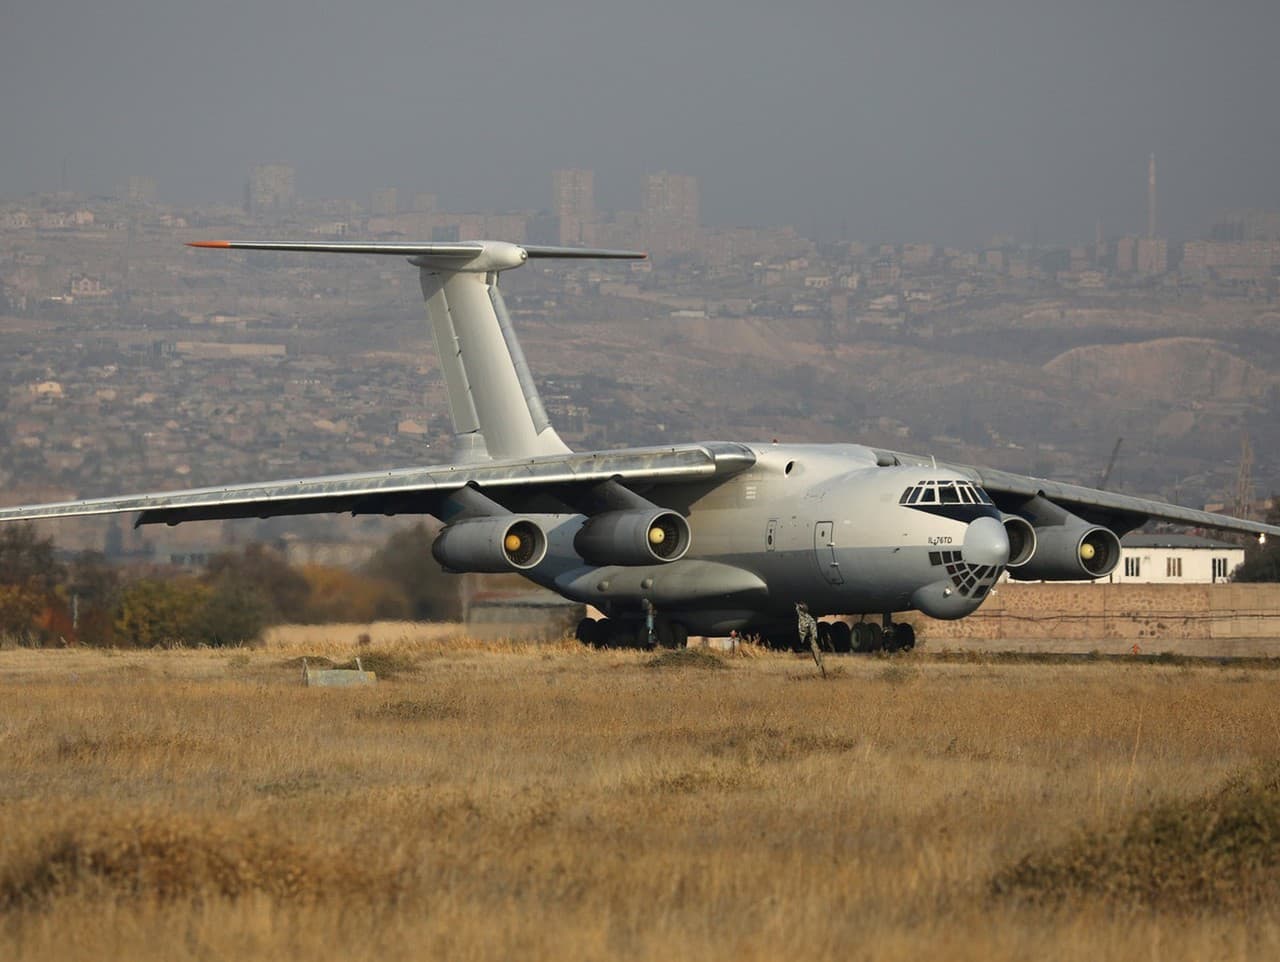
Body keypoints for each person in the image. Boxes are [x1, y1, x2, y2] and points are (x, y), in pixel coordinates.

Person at [796, 602, 825, 677]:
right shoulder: (803, 618)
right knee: (815, 654)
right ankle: (821, 670)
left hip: (811, 640)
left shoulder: (809, 619)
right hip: (808, 639)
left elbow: (812, 630)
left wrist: (812, 637)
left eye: (798, 609)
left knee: (816, 654)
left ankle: (822, 671)